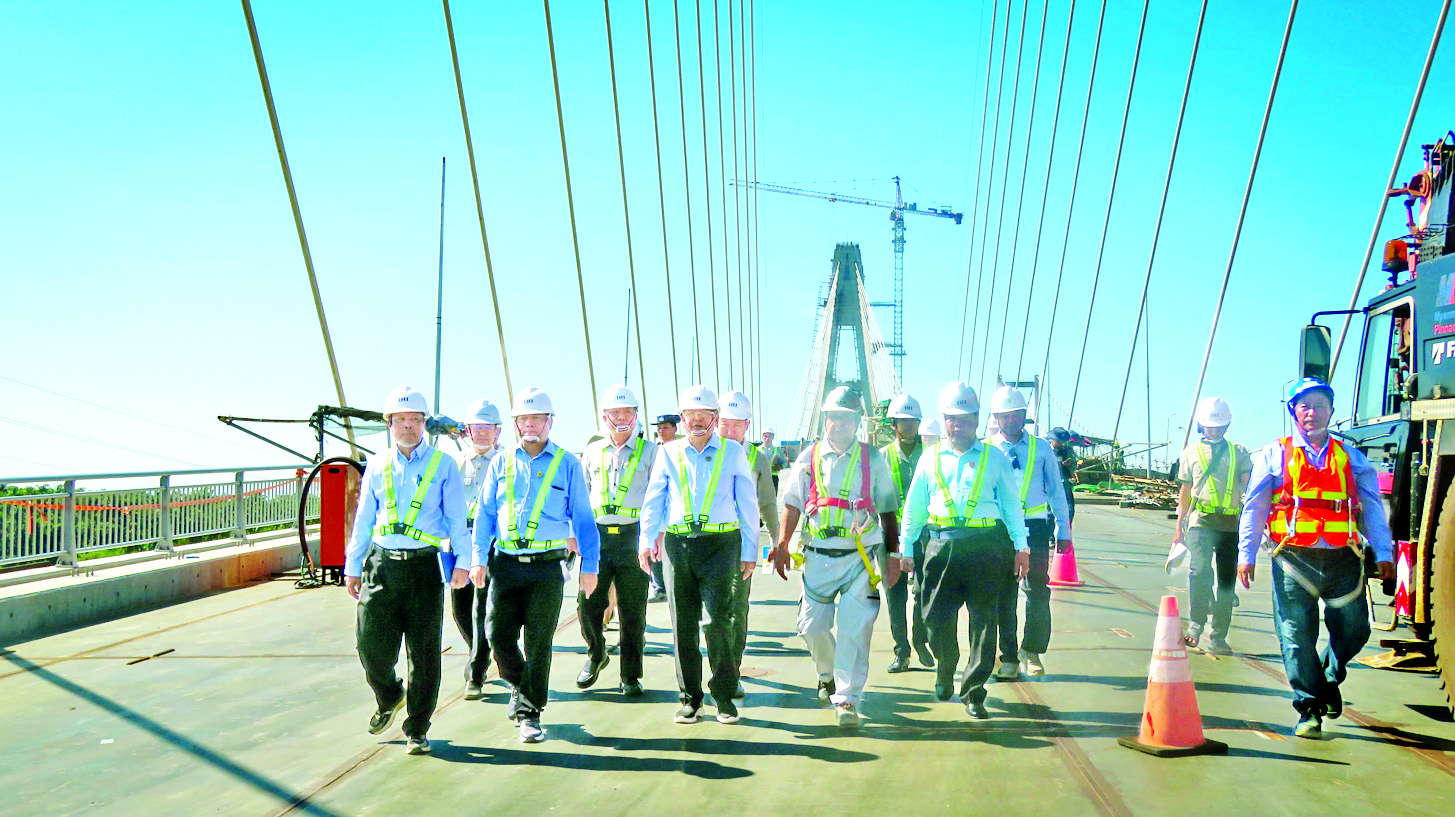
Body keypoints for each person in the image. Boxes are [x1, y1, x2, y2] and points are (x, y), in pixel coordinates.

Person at [1237, 377, 1394, 739]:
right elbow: (1255, 506)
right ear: (1293, 411)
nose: (1312, 412)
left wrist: (1384, 551)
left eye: (1320, 405)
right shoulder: (1274, 454)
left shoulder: (1350, 457)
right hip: (1292, 558)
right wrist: (1246, 554)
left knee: (1356, 629)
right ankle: (1309, 709)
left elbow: (1372, 506)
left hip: (1343, 557)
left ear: (1331, 411)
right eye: (1304, 406)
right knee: (1295, 636)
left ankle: (1328, 679)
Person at [469, 387, 600, 744]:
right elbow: (484, 515)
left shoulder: (567, 464)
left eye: (537, 419)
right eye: (523, 419)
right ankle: (521, 684)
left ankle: (530, 713)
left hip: (547, 568)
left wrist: (590, 565)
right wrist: (478, 558)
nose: (530, 425)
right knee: (497, 635)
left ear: (549, 422)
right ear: (515, 423)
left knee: (539, 642)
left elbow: (583, 518)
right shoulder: (501, 463)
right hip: (505, 564)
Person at [345, 385, 471, 756]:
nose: (407, 426)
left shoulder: (443, 465)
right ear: (389, 424)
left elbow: (456, 519)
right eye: (400, 420)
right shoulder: (377, 464)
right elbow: (364, 519)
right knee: (369, 645)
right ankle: (389, 695)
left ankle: (417, 727)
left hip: (424, 568)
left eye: (415, 419)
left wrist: (463, 563)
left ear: (424, 424)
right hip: (381, 566)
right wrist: (353, 566)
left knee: (425, 654)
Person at [772, 386, 901, 727]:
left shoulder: (873, 459)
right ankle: (826, 674)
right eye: (833, 417)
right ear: (825, 420)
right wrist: (783, 543)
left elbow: (888, 508)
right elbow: (792, 503)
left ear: (857, 422)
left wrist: (892, 554)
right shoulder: (809, 457)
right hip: (818, 556)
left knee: (854, 629)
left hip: (860, 559)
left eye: (846, 418)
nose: (839, 424)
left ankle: (846, 699)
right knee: (810, 627)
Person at [899, 382, 1028, 721]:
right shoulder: (930, 458)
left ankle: (973, 691)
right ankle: (946, 665)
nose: (959, 425)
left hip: (986, 545)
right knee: (933, 619)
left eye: (966, 418)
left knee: (984, 622)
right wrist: (906, 547)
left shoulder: (994, 458)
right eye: (953, 419)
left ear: (977, 420)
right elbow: (914, 506)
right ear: (944, 420)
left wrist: (1022, 547)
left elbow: (1011, 505)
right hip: (939, 545)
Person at [639, 385, 759, 725]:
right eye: (690, 415)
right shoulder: (668, 452)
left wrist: (750, 549)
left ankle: (724, 696)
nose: (697, 421)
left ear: (715, 418)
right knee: (683, 625)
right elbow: (655, 497)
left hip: (721, 545)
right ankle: (690, 699)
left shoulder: (732, 452)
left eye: (704, 415)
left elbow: (747, 503)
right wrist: (646, 539)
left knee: (718, 622)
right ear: (682, 418)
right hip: (678, 547)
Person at [578, 385, 657, 697]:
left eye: (627, 412)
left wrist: (655, 536)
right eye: (615, 412)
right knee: (587, 604)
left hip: (634, 538)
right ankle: (596, 653)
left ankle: (630, 675)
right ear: (605, 416)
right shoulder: (592, 452)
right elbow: (581, 496)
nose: (621, 417)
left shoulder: (651, 452)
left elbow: (660, 496)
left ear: (636, 415)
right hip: (597, 539)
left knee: (633, 611)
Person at [988, 385, 1072, 679]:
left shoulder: (1042, 448)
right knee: (1004, 592)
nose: (1011, 420)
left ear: (1025, 415)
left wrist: (1063, 529)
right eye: (1005, 415)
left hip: (1035, 526)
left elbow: (1057, 490)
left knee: (1037, 588)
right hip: (1000, 529)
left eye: (1017, 414)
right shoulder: (987, 449)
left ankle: (1032, 650)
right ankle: (1008, 655)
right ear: (996, 418)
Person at [1171, 397, 1252, 655]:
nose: (1214, 431)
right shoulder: (1190, 453)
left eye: (1219, 427)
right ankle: (1196, 624)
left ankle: (1219, 636)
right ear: (1201, 425)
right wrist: (1179, 527)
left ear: (1227, 425)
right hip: (1200, 522)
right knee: (1199, 570)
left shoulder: (1239, 452)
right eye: (1210, 426)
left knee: (1227, 581)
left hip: (1230, 525)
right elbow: (1185, 492)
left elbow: (1249, 488)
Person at [718, 390, 780, 701]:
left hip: (742, 543)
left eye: (736, 425)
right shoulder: (704, 450)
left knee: (736, 608)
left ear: (747, 426)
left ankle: (731, 673)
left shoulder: (758, 458)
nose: (729, 431)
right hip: (706, 543)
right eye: (725, 424)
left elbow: (767, 503)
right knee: (709, 613)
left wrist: (778, 541)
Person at [454, 398, 503, 700]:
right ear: (468, 431)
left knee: (481, 608)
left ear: (498, 431)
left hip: (492, 544)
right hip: (461, 543)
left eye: (488, 427)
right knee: (460, 609)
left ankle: (475, 672)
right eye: (477, 427)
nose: (483, 432)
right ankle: (481, 650)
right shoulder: (456, 464)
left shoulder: (507, 464)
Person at [881, 393, 934, 673]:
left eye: (914, 421)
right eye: (904, 421)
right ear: (894, 424)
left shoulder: (931, 455)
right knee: (895, 593)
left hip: (924, 534)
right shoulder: (882, 457)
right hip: (890, 534)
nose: (910, 425)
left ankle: (919, 639)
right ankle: (901, 651)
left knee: (924, 590)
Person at [647, 413, 682, 602]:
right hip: (657, 504)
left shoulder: (681, 449)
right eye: (659, 428)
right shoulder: (654, 450)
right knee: (653, 546)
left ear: (675, 429)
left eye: (665, 427)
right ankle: (659, 587)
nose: (661, 431)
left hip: (675, 508)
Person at [1049, 427, 1078, 527]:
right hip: (1049, 484)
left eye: (1062, 442)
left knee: (1069, 509)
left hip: (1064, 483)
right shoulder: (1046, 450)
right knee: (1049, 511)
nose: (1060, 444)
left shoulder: (1067, 451)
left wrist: (1070, 464)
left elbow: (1075, 465)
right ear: (1053, 439)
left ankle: (1066, 528)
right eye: (1058, 441)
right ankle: (1049, 533)